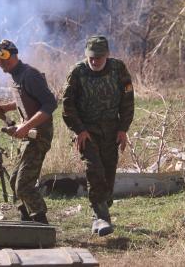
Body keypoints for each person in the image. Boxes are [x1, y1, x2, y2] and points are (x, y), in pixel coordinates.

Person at [62, 35, 134, 236]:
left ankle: (103, 204)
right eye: (91, 58)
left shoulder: (118, 69)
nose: (94, 62)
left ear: (107, 55)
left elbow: (128, 100)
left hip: (111, 130)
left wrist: (123, 129)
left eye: (99, 58)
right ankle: (100, 217)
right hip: (87, 132)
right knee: (94, 170)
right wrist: (79, 130)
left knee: (109, 171)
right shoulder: (77, 72)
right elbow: (68, 106)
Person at [0, 39, 57, 224]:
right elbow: (27, 99)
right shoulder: (17, 75)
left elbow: (50, 104)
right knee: (14, 181)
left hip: (39, 135)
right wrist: (5, 108)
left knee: (23, 185)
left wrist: (26, 126)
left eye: (2, 58)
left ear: (12, 55)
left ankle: (41, 223)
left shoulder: (30, 75)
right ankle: (26, 217)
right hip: (30, 135)